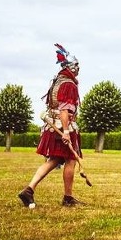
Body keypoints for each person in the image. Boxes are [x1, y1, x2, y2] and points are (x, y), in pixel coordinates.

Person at [18, 43, 83, 208]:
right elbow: (64, 109)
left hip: (54, 125)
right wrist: (67, 131)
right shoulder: (68, 83)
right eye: (76, 65)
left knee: (54, 160)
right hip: (63, 127)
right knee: (70, 160)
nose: (78, 68)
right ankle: (67, 198)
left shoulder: (58, 80)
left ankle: (29, 190)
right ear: (69, 67)